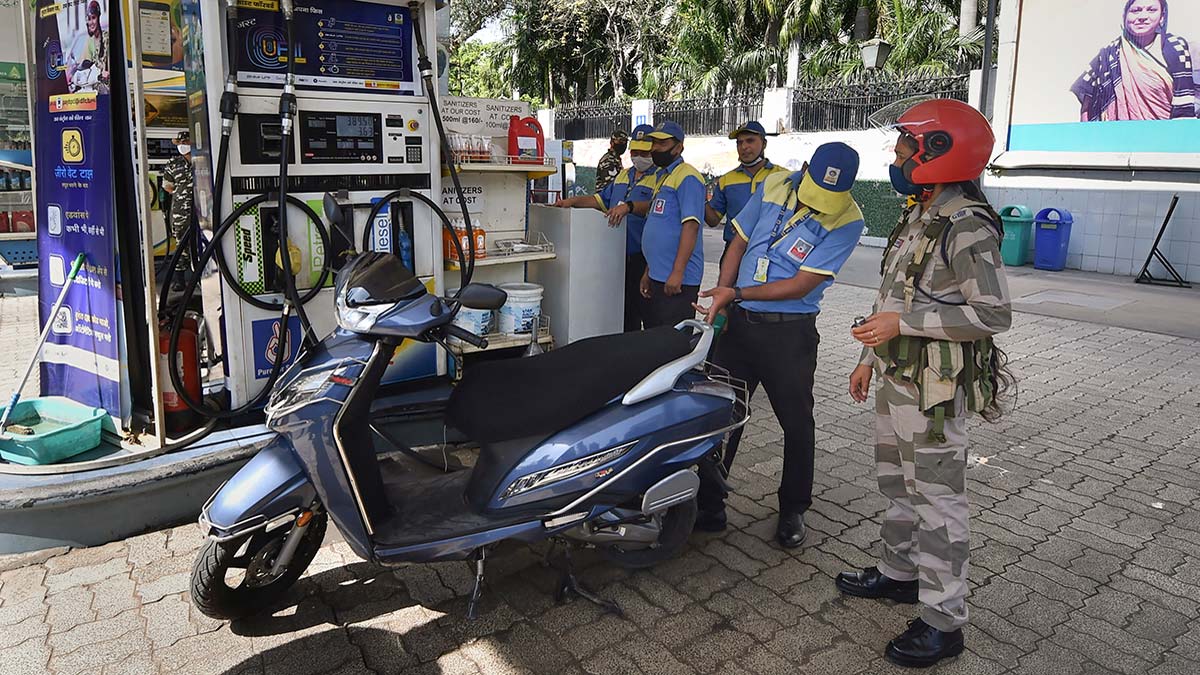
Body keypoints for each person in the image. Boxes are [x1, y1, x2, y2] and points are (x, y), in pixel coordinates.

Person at [836, 99, 1014, 669]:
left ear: (939, 151)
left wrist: (903, 325)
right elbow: (893, 296)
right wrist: (868, 358)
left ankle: (943, 621)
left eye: (903, 150)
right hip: (895, 376)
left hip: (933, 390)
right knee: (897, 484)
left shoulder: (967, 225)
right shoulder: (921, 211)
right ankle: (899, 573)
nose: (895, 159)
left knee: (937, 500)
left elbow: (993, 314)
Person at [692, 143, 865, 548]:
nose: (820, 203)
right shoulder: (774, 184)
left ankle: (793, 509)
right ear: (804, 168)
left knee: (796, 423)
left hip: (790, 335)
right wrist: (724, 297)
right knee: (720, 414)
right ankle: (709, 505)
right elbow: (738, 243)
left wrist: (735, 293)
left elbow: (802, 284)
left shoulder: (849, 218)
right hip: (739, 326)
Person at [555, 124, 658, 331]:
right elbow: (600, 200)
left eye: (644, 153)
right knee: (622, 311)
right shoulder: (623, 175)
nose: (639, 156)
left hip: (644, 257)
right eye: (635, 152)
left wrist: (629, 207)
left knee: (647, 310)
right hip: (616, 255)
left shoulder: (661, 178)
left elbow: (656, 206)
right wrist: (571, 201)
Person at [607, 120, 705, 328]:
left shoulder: (687, 176)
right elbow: (657, 226)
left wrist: (677, 272)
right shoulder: (662, 177)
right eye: (654, 143)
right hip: (657, 275)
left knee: (672, 338)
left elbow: (691, 226)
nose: (656, 149)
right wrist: (648, 272)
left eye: (662, 144)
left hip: (677, 280)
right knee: (654, 334)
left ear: (678, 147)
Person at [1072, 0, 1195, 121]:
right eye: (1135, 11)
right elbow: (1087, 101)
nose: (1143, 17)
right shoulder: (1109, 55)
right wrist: (1087, 131)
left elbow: (1184, 100)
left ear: (1162, 17)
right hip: (1120, 132)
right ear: (1124, 16)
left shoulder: (1176, 47)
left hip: (1166, 131)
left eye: (1151, 10)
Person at [706, 121, 787, 262]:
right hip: (733, 252)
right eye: (739, 143)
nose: (744, 147)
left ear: (764, 143)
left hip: (770, 251)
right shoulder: (726, 180)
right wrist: (701, 199)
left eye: (750, 141)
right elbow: (713, 221)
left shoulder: (782, 177)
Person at [162, 131, 195, 292]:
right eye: (180, 143)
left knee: (204, 241)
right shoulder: (173, 163)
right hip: (180, 212)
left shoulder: (203, 159)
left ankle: (203, 277)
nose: (182, 145)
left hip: (202, 209)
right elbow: (168, 187)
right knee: (181, 244)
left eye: (185, 142)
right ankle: (179, 280)